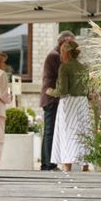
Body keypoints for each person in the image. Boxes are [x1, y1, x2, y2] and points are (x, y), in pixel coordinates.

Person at [47, 40, 90, 172]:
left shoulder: (65, 67)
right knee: (83, 132)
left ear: (66, 52)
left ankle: (67, 167)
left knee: (68, 133)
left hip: (69, 102)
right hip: (82, 102)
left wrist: (50, 91)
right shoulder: (83, 67)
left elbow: (63, 91)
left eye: (62, 51)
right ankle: (85, 166)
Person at [39, 30, 75, 171]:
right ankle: (48, 165)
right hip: (51, 98)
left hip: (53, 98)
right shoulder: (54, 56)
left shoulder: (56, 54)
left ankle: (48, 164)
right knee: (50, 131)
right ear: (63, 41)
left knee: (51, 131)